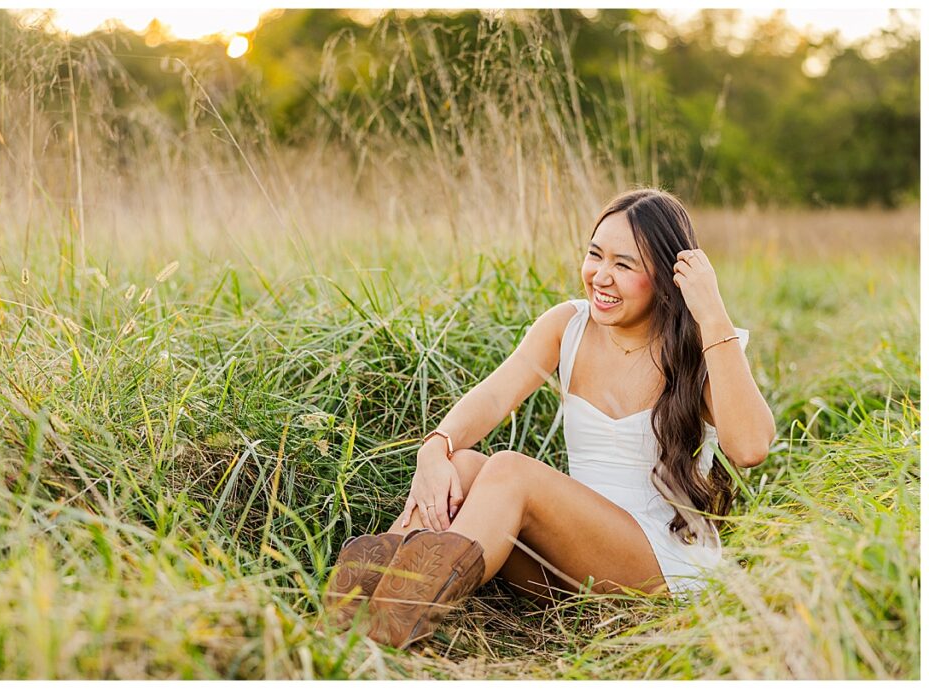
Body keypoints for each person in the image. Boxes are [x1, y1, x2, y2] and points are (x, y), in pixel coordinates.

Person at [322, 188, 776, 649]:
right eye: (595, 255)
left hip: (662, 569)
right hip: (570, 561)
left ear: (666, 277)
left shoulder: (703, 346)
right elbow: (495, 395)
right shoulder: (569, 325)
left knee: (509, 471)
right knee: (457, 466)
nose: (601, 275)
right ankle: (350, 621)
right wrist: (434, 448)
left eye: (624, 265)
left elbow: (751, 447)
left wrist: (712, 315)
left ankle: (385, 634)